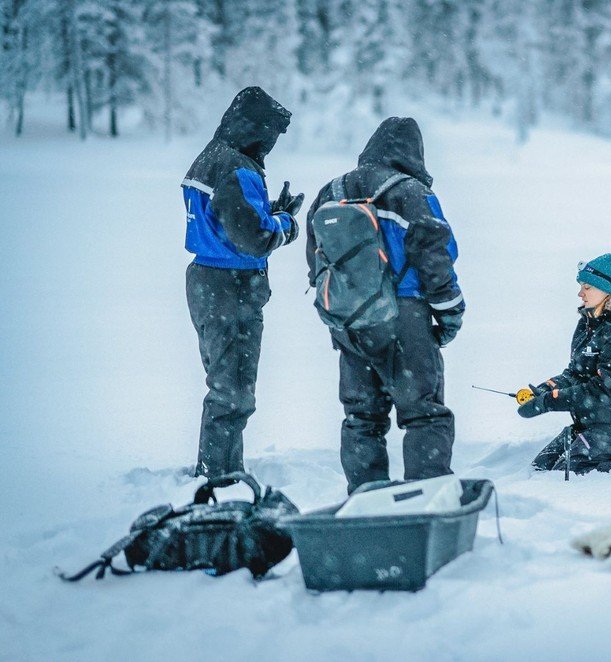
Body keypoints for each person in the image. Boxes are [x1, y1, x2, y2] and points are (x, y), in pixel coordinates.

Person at [305, 117, 464, 494]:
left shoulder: (331, 190)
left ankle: (366, 501)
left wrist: (340, 312)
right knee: (423, 412)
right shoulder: (410, 192)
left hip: (348, 320)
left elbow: (315, 259)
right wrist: (450, 312)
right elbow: (437, 257)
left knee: (361, 417)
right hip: (404, 315)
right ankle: (426, 499)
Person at [182, 86, 304, 479]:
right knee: (233, 390)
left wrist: (269, 211)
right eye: (271, 133)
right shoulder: (238, 167)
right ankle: (219, 475)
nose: (271, 142)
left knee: (224, 383)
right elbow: (253, 240)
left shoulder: (209, 158)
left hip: (207, 282)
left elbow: (223, 219)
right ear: (256, 128)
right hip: (230, 287)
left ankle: (217, 467)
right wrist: (284, 225)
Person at [518, 253, 611, 474]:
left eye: (587, 287)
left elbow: (604, 390)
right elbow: (576, 373)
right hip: (587, 426)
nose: (580, 293)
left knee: (567, 473)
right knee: (539, 469)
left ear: (607, 290)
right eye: (581, 286)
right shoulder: (587, 324)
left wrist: (549, 402)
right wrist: (547, 388)